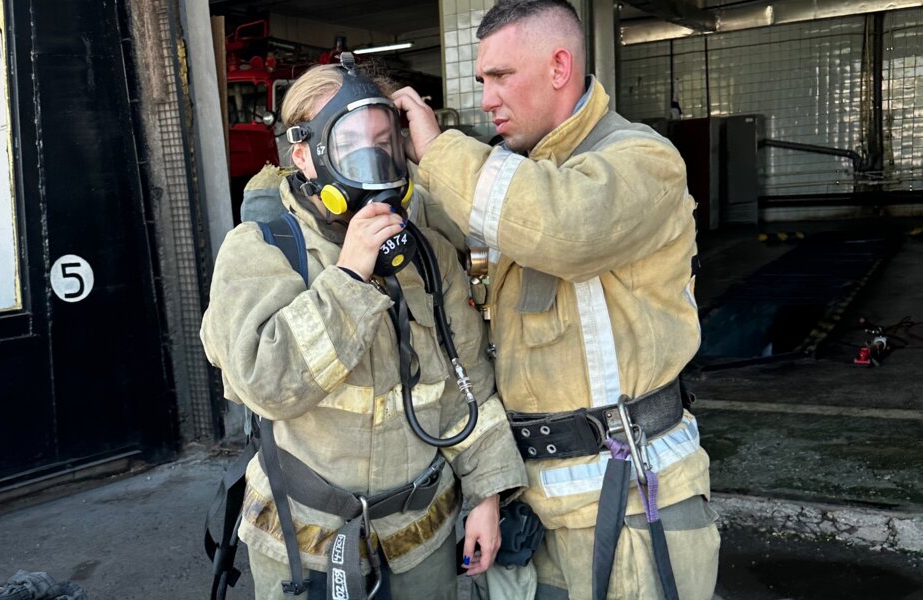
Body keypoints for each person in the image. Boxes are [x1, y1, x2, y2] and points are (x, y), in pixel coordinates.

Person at [390, 1, 719, 599]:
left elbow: (565, 226)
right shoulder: (508, 175)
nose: (486, 98)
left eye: (500, 77)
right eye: (481, 81)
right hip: (534, 504)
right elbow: (440, 235)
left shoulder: (640, 160)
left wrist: (440, 152)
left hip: (631, 508)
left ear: (559, 66)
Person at [201, 57, 526, 600]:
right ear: (303, 154)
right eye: (353, 141)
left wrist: (487, 497)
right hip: (302, 542)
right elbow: (266, 382)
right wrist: (350, 277)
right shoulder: (261, 250)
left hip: (421, 536)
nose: (373, 158)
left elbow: (470, 385)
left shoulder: (428, 254)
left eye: (384, 139)